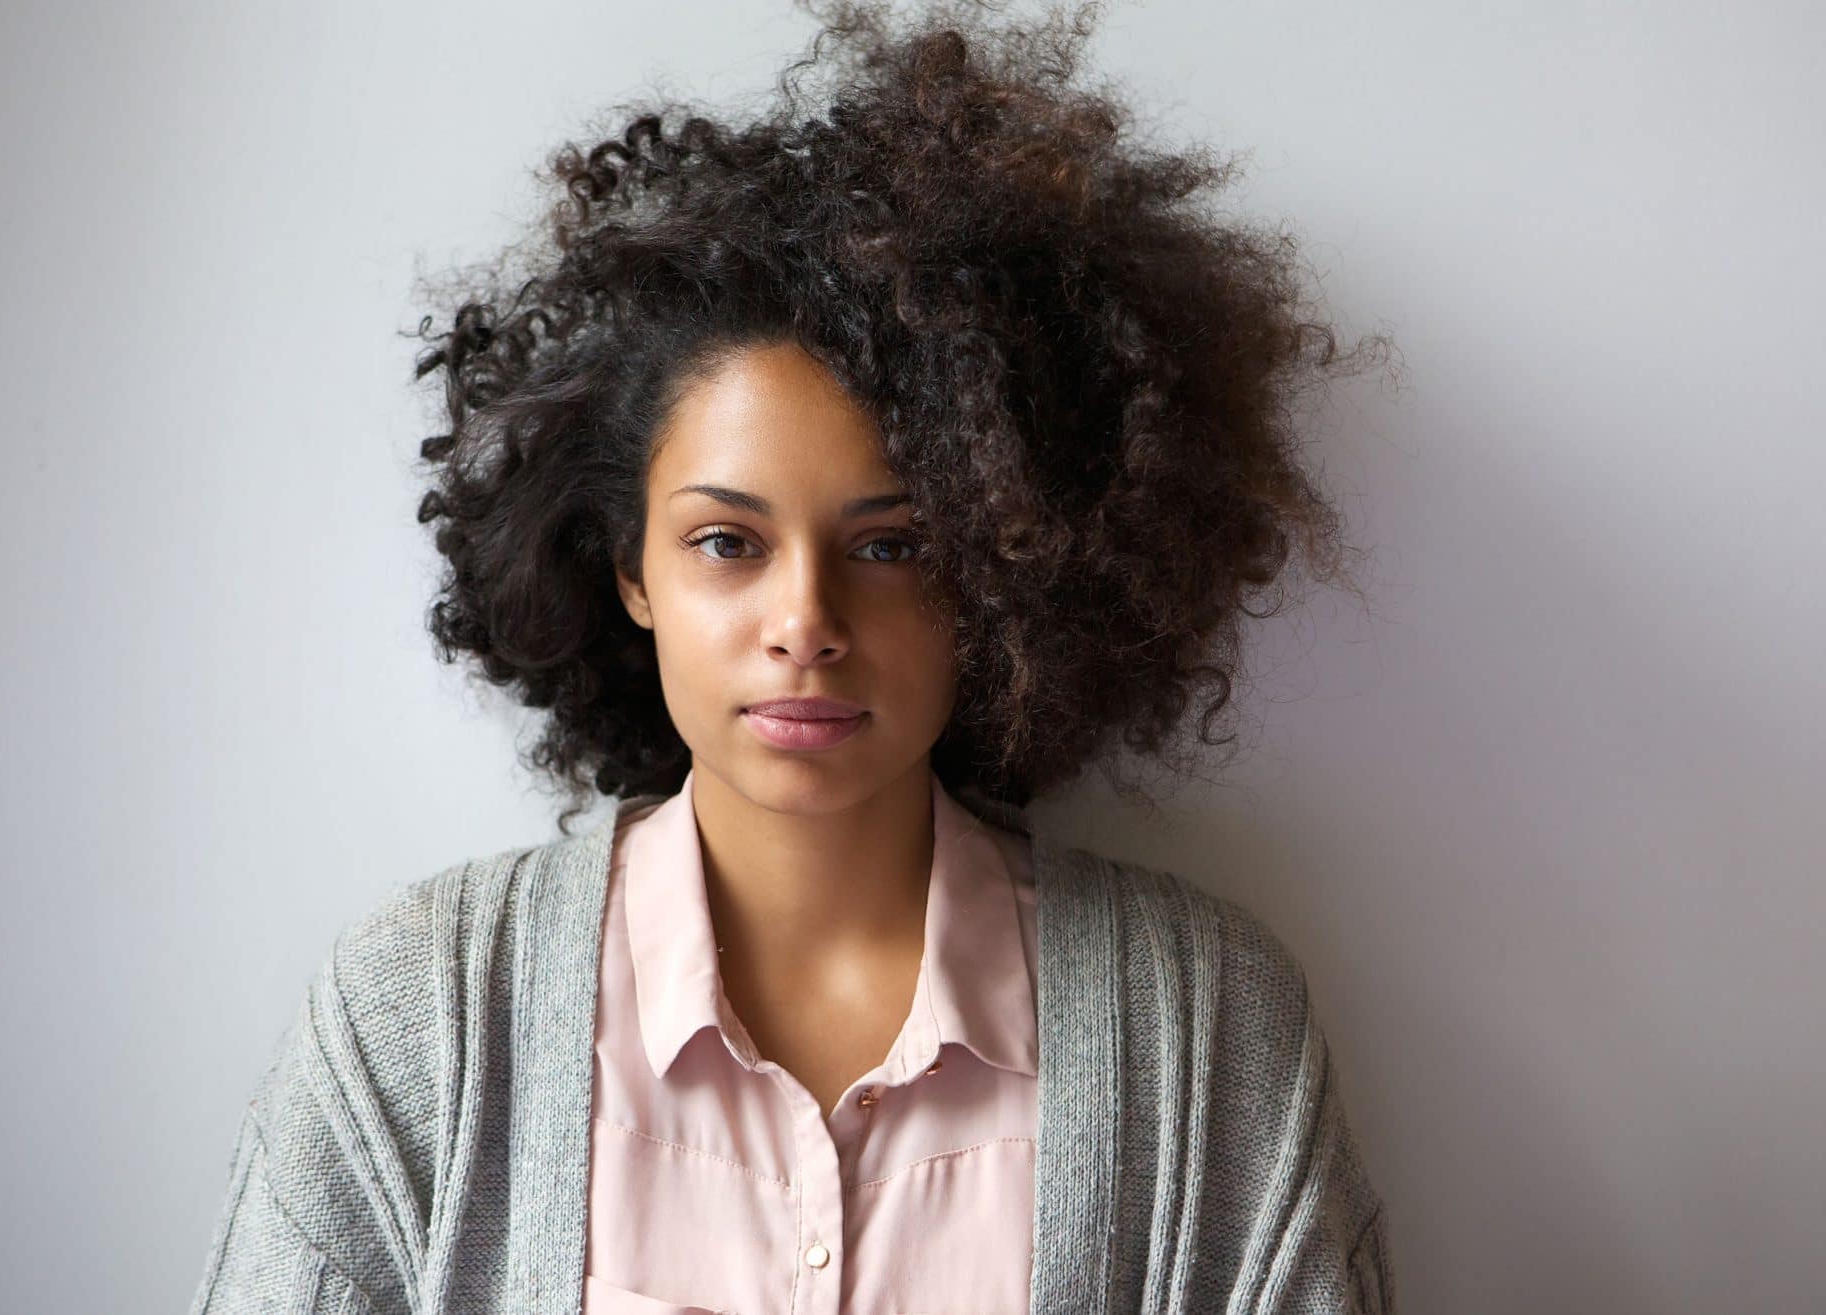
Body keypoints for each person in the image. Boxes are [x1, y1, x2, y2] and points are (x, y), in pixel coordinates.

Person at [186, 2, 1398, 1311]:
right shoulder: (417, 1022)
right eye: (725, 543)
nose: (805, 620)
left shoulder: (1206, 1033)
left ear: (1007, 572)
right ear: (628, 573)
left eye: (893, 548)